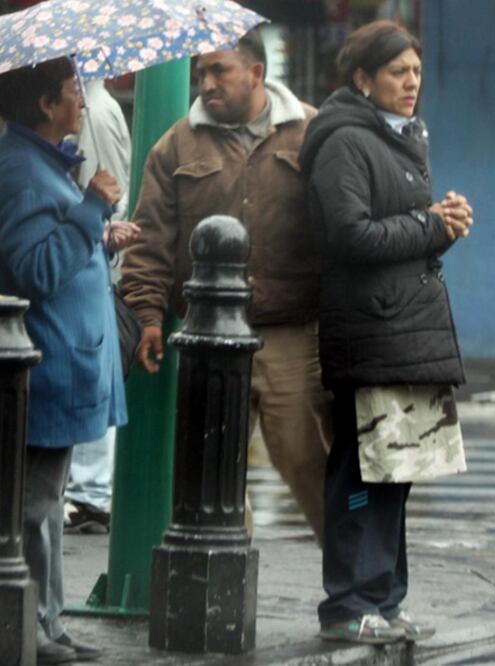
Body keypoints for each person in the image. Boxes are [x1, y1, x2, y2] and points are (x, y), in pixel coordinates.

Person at [297, 20, 473, 644]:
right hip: (371, 332)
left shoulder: (400, 138)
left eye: (417, 72)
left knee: (394, 471)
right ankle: (349, 603)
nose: (411, 83)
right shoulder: (346, 141)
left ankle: (384, 599)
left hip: (403, 330)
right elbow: (350, 235)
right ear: (363, 78)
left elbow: (400, 235)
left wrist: (440, 226)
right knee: (362, 474)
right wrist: (431, 225)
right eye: (398, 72)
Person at [120, 29, 331, 542]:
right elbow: (149, 243)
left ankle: (355, 583)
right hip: (207, 342)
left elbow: (342, 225)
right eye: (201, 73)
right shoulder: (176, 145)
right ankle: (225, 581)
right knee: (213, 475)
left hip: (290, 333)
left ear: (257, 73)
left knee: (309, 462)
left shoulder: (312, 130)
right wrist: (148, 317)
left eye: (220, 71)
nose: (207, 83)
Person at [0, 57, 129, 665]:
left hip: (59, 358)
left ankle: (49, 623)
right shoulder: (19, 172)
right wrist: (92, 209)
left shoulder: (38, 162)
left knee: (46, 509)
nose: (83, 102)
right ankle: (29, 626)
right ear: (45, 104)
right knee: (32, 509)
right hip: (43, 364)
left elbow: (48, 244)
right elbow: (37, 268)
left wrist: (98, 227)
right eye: (73, 92)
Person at [63, 79, 133, 534]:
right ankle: (89, 491)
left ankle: (92, 492)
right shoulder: (90, 107)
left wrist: (103, 234)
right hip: (90, 253)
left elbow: (106, 190)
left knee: (93, 370)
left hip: (94, 262)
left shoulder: (95, 110)